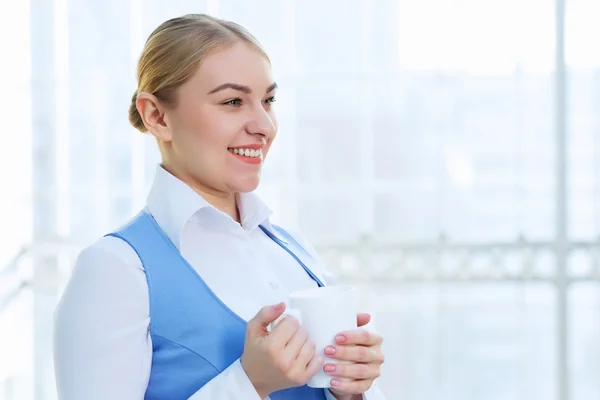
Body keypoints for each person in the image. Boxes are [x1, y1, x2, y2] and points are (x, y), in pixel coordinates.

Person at [53, 13, 386, 400]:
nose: (264, 125)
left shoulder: (292, 250)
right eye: (233, 101)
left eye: (268, 100)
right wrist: (250, 382)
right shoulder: (115, 269)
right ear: (157, 116)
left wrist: (353, 390)